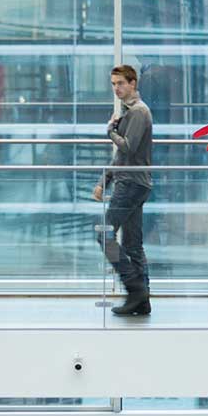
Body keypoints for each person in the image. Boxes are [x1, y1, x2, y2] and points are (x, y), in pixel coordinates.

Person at [92, 64, 154, 316]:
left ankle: (135, 289)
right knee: (132, 244)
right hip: (134, 183)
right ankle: (142, 300)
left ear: (133, 83)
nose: (116, 88)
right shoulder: (131, 113)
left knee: (103, 235)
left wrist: (110, 131)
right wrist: (103, 181)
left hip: (130, 185)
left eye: (120, 83)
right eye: (113, 84)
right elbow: (122, 156)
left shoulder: (138, 112)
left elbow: (127, 148)